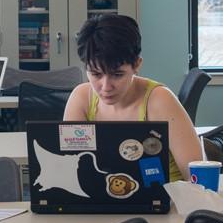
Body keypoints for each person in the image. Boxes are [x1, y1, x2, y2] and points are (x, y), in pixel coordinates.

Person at [64, 14, 202, 181]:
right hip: (105, 201)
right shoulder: (81, 98)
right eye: (96, 74)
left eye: (117, 74)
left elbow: (197, 177)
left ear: (137, 64)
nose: (106, 86)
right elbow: (71, 168)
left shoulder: (159, 100)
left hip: (167, 201)